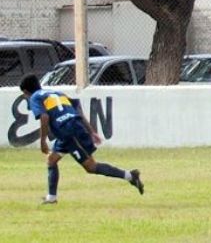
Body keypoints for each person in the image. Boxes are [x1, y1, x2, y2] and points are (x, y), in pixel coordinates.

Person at [19, 75, 144, 204]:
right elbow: (77, 109)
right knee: (52, 160)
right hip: (68, 130)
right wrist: (91, 131)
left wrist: (43, 141)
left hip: (69, 132)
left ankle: (130, 176)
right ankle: (51, 198)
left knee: (91, 167)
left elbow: (44, 117)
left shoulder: (34, 97)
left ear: (26, 92)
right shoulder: (56, 93)